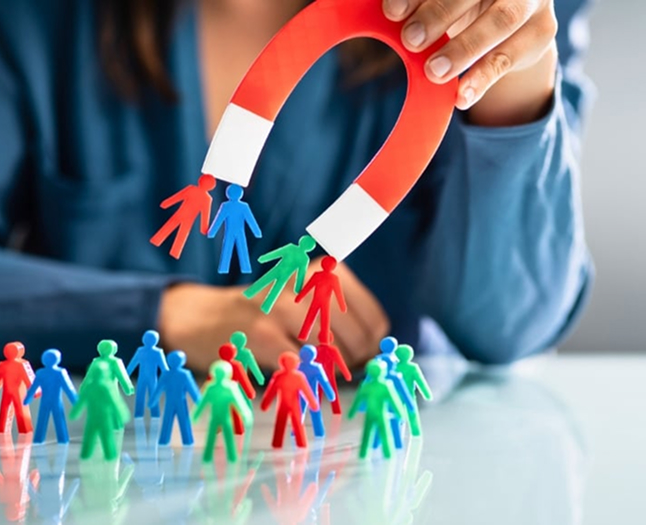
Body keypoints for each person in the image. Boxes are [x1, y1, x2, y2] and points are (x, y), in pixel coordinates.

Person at [0, 0, 594, 372]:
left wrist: (511, 89)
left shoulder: (505, 12)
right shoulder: (37, 20)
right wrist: (165, 314)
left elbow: (508, 328)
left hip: (377, 469)